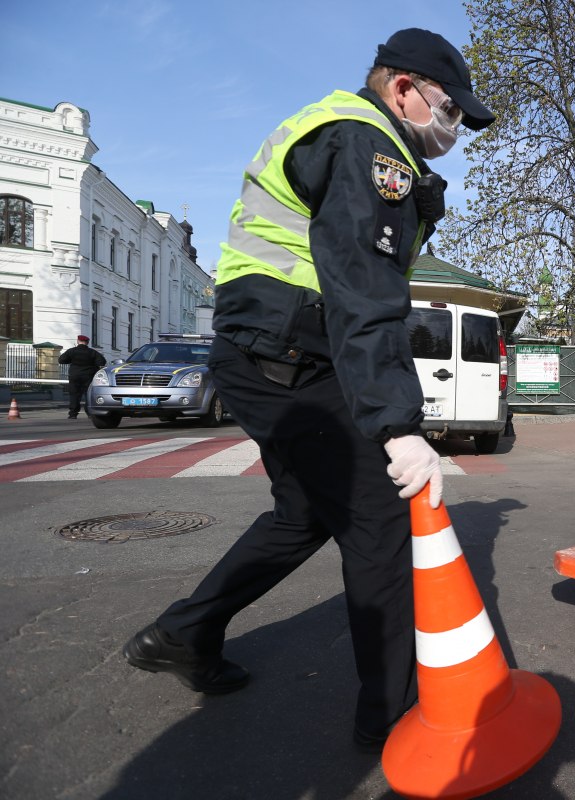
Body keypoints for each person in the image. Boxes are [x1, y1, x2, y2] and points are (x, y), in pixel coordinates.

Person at [121, 28, 495, 751]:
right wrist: (397, 425)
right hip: (295, 354)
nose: (455, 130)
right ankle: (394, 720)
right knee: (381, 523)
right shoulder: (367, 142)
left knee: (302, 514)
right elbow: (363, 287)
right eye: (451, 111)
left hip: (263, 351)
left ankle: (183, 632)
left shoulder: (340, 127)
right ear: (404, 89)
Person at [58, 335, 106, 419]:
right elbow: (102, 362)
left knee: (74, 395)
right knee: (88, 394)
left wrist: (71, 360)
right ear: (87, 342)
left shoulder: (71, 351)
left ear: (77, 341)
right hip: (88, 376)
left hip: (74, 375)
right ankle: (90, 413)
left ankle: (73, 414)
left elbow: (61, 360)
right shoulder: (92, 352)